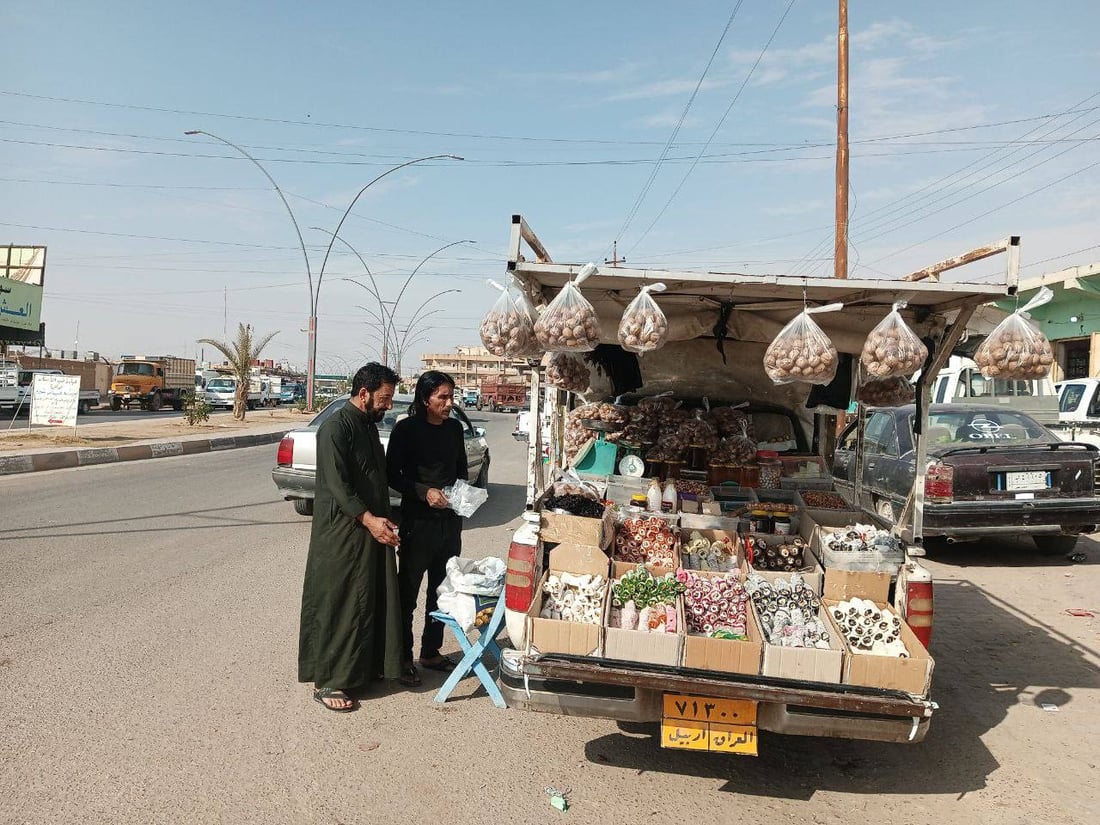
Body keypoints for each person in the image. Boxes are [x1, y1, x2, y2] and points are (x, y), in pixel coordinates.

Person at [298, 363, 402, 713]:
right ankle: (329, 679)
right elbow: (339, 486)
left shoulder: (368, 427)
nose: (388, 406)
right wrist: (370, 520)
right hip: (342, 532)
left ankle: (360, 670)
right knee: (339, 603)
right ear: (363, 394)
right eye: (384, 399)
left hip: (370, 527)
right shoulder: (335, 428)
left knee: (367, 600)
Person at [386, 370, 468, 687]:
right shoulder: (406, 430)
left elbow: (461, 471)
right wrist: (424, 492)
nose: (449, 403)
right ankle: (403, 658)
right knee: (407, 594)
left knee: (442, 594)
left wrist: (461, 494)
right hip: (417, 524)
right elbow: (392, 475)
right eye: (442, 397)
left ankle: (430, 652)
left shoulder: (455, 430)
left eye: (451, 397)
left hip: (449, 525)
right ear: (425, 399)